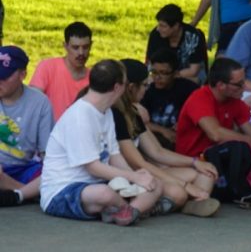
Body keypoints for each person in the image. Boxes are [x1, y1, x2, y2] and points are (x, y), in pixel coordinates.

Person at [39, 59, 163, 225]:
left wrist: (136, 178)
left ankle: (126, 212)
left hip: (99, 182)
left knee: (155, 184)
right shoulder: (80, 116)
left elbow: (114, 155)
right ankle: (131, 209)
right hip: (63, 190)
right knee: (104, 194)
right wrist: (133, 177)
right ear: (117, 87)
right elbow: (92, 167)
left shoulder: (106, 111)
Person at [113, 59, 220, 217]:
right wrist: (185, 185)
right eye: (145, 85)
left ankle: (189, 203)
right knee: (178, 192)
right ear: (131, 88)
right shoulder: (116, 114)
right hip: (131, 175)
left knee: (206, 174)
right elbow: (138, 163)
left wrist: (195, 162)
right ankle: (173, 203)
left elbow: (157, 152)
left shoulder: (133, 112)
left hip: (145, 170)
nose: (147, 89)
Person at [175, 57, 251, 204]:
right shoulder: (200, 98)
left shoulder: (234, 101)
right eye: (239, 84)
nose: (244, 87)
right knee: (240, 148)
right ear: (220, 85)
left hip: (217, 161)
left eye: (244, 82)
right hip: (193, 162)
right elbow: (215, 134)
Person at [0, 45, 53, 206]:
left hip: (24, 168)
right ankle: (27, 193)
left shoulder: (40, 102)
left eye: (4, 77)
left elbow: (47, 153)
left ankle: (15, 192)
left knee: (55, 173)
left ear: (22, 74)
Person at [30, 21, 92, 121]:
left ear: (91, 46)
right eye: (75, 48)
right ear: (65, 46)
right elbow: (32, 102)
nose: (81, 53)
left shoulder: (94, 78)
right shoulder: (47, 67)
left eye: (85, 47)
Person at [140, 48, 199, 150]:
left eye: (163, 73)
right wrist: (162, 130)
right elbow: (137, 122)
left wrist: (186, 123)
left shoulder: (189, 89)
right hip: (153, 140)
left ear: (176, 73)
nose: (157, 77)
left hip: (183, 139)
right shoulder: (147, 91)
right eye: (154, 72)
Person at [146, 3, 208, 83]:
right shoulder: (156, 35)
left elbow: (193, 70)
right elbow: (151, 64)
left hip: (186, 74)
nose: (158, 29)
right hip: (162, 73)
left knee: (195, 80)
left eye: (163, 26)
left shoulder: (192, 36)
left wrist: (171, 76)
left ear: (176, 26)